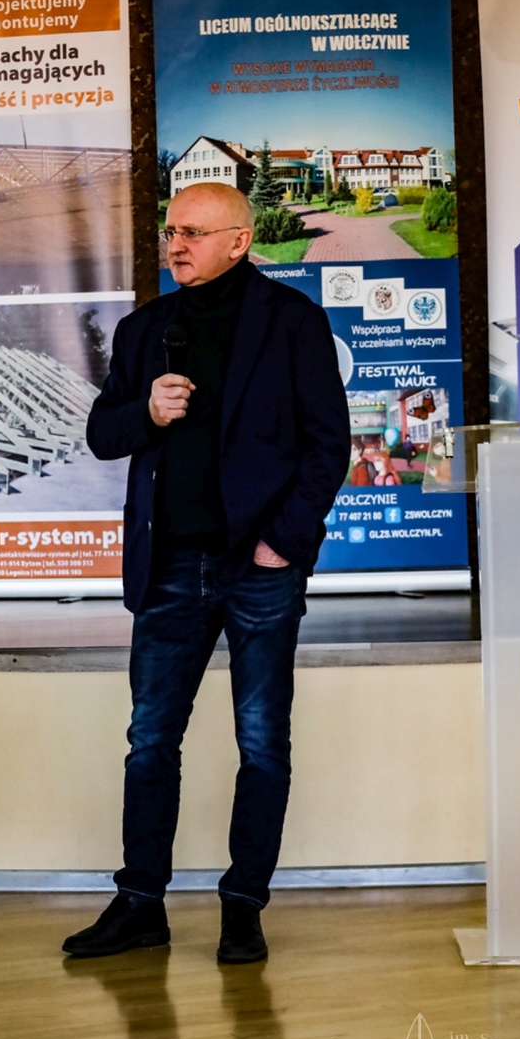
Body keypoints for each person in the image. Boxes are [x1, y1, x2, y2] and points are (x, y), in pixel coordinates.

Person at [62, 183, 350, 964]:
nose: (176, 244)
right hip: (168, 569)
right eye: (170, 231)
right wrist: (146, 412)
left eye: (193, 231)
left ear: (240, 240)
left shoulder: (293, 322)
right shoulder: (145, 329)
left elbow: (328, 445)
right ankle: (140, 904)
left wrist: (281, 544)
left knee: (262, 743)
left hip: (259, 568)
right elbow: (102, 433)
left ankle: (243, 907)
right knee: (151, 739)